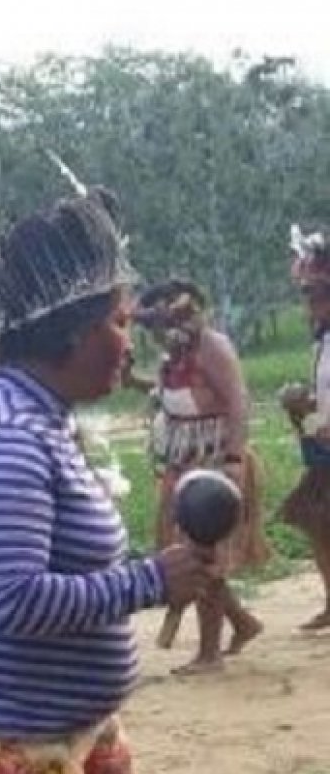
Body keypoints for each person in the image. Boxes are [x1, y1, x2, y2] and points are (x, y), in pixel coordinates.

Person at [0, 187, 217, 773]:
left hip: (72, 735)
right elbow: (15, 600)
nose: (129, 344)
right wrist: (149, 580)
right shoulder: (6, 438)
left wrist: (149, 569)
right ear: (72, 333)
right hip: (12, 747)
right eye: (119, 322)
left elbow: (65, 567)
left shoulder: (42, 422)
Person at [133, 279, 268, 673]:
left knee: (206, 556)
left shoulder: (214, 347)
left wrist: (233, 460)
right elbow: (166, 397)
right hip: (183, 467)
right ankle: (242, 623)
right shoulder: (174, 356)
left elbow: (238, 403)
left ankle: (210, 654)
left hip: (214, 465)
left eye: (160, 326)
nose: (156, 336)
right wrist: (131, 380)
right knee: (191, 559)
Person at [281, 224, 330, 631]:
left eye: (312, 292)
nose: (306, 300)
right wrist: (302, 405)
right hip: (322, 444)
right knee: (316, 519)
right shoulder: (323, 340)